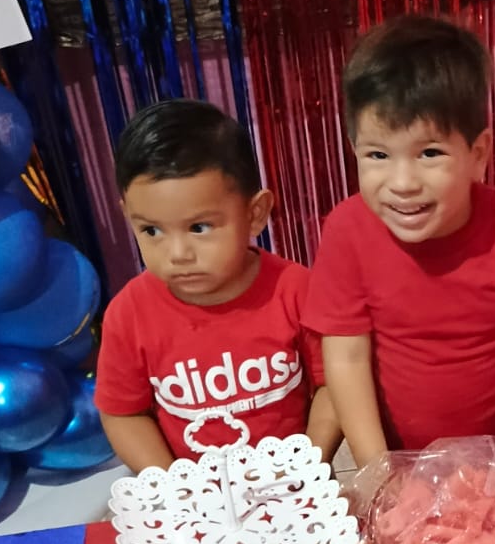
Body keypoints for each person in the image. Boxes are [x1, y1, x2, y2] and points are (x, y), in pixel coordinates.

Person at [303, 15, 495, 480]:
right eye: (378, 155)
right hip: (401, 466)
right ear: (354, 150)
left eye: (429, 153)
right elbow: (345, 358)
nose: (402, 183)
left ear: (478, 154)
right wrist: (377, 467)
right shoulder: (347, 231)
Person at [96, 99, 340, 473]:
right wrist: (173, 484)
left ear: (255, 213)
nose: (177, 254)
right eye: (151, 230)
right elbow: (123, 413)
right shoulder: (128, 314)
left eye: (199, 228)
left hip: (293, 487)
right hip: (193, 498)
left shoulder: (295, 289)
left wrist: (307, 461)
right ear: (127, 215)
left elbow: (334, 385)